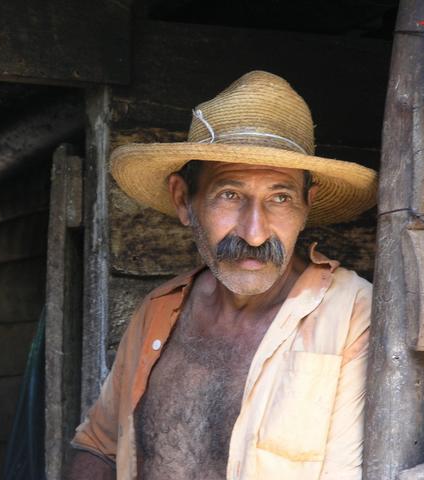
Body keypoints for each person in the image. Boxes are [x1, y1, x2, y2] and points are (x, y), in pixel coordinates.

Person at [68, 70, 377, 480]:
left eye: (280, 198)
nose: (254, 232)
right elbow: (100, 448)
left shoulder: (352, 316)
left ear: (307, 205)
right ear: (184, 199)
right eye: (230, 195)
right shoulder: (160, 311)